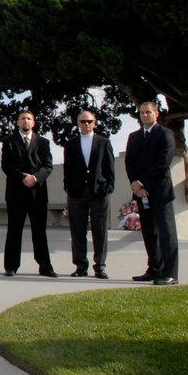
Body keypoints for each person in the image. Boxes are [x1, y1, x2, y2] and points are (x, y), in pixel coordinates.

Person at [124, 101, 179, 285]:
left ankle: (170, 273)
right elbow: (129, 162)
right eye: (142, 112)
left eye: (148, 112)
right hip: (141, 193)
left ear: (157, 114)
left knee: (166, 232)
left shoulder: (165, 134)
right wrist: (135, 185)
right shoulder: (134, 137)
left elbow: (163, 162)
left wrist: (141, 182)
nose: (145, 115)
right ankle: (154, 269)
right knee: (149, 232)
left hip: (160, 192)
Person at [1, 110, 57, 277]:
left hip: (37, 193)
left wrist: (34, 178)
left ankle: (45, 266)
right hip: (16, 193)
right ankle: (11, 266)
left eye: (29, 119)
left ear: (33, 123)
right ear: (17, 122)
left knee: (39, 231)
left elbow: (47, 166)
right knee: (14, 230)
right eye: (22, 118)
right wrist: (22, 177)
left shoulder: (43, 143)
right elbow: (6, 166)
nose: (25, 121)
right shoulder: (9, 141)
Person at [62, 110, 115, 279]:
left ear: (95, 123)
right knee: (78, 230)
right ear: (78, 123)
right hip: (77, 193)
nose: (86, 124)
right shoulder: (71, 144)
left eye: (89, 121)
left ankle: (100, 265)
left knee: (100, 230)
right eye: (83, 121)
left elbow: (109, 168)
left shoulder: (103, 142)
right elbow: (67, 169)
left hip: (99, 192)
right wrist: (69, 188)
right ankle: (80, 265)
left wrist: (108, 188)